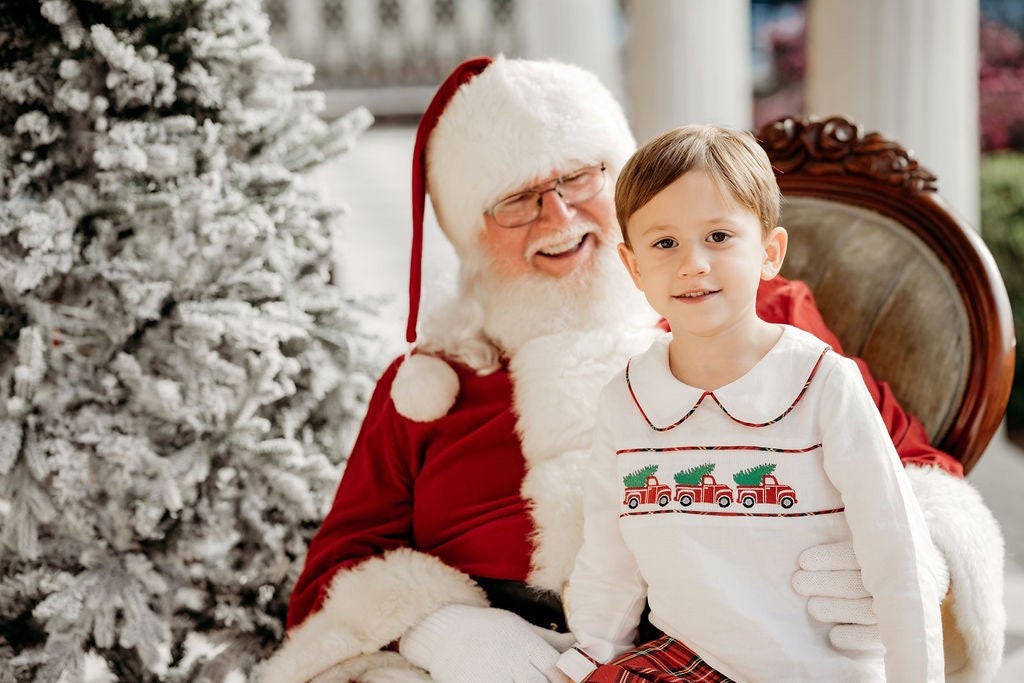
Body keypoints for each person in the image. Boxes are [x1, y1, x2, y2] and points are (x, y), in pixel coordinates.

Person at [259, 56, 1004, 683]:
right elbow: (333, 574)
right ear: (469, 230)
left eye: (580, 177)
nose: (559, 217)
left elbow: (914, 468)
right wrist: (443, 628)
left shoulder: (761, 317)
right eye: (518, 200)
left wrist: (893, 563)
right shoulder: (429, 382)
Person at [555, 124, 944, 683]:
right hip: (687, 660)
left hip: (817, 668)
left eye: (718, 237)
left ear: (769, 252)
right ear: (634, 266)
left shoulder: (821, 384)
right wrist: (591, 651)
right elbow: (609, 554)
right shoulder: (628, 401)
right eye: (665, 243)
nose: (693, 263)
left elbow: (897, 552)